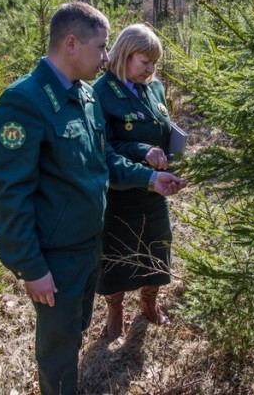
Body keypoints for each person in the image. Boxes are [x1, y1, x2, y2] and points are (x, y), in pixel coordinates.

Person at [0, 2, 185, 395]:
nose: (107, 56)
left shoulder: (86, 97)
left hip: (90, 244)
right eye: (101, 47)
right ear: (71, 43)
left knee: (74, 331)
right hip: (55, 258)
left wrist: (148, 178)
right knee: (58, 353)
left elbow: (104, 162)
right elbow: (11, 194)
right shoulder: (24, 101)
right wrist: (31, 267)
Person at [93, 23, 176, 341]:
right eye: (145, 62)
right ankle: (115, 312)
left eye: (155, 63)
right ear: (125, 56)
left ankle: (149, 304)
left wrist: (173, 149)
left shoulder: (153, 87)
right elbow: (106, 149)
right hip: (121, 194)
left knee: (157, 247)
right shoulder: (101, 92)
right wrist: (144, 153)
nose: (151, 69)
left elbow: (162, 127)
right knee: (115, 255)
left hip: (155, 192)